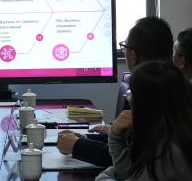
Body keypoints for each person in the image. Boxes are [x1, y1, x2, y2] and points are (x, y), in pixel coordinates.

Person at [58, 16, 173, 167]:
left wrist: (77, 145)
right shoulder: (172, 84)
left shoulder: (151, 92)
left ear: (133, 55)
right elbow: (131, 142)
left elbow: (127, 160)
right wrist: (84, 140)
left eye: (125, 48)